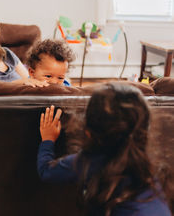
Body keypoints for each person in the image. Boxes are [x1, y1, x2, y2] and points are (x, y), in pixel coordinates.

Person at [37, 83, 172, 216]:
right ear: (144, 132)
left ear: (88, 132)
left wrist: (48, 139)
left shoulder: (88, 161)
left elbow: (46, 171)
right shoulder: (151, 167)